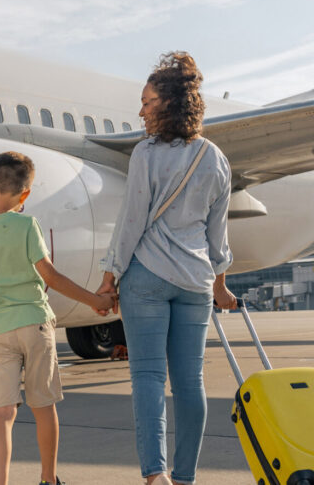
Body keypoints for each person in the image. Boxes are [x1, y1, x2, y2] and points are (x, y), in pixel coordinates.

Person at [96, 52, 237, 485]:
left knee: (149, 379)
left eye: (147, 101)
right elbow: (219, 236)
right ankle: (185, 476)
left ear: (170, 104)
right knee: (190, 383)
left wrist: (109, 276)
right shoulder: (215, 157)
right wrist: (221, 286)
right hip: (196, 283)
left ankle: (155, 476)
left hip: (148, 281)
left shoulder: (146, 154)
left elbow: (131, 222)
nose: (141, 111)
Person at [0, 151, 116, 485]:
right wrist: (95, 301)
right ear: (25, 195)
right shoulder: (26, 224)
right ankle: (47, 479)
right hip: (33, 322)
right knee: (43, 406)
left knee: (2, 413)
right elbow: (52, 277)